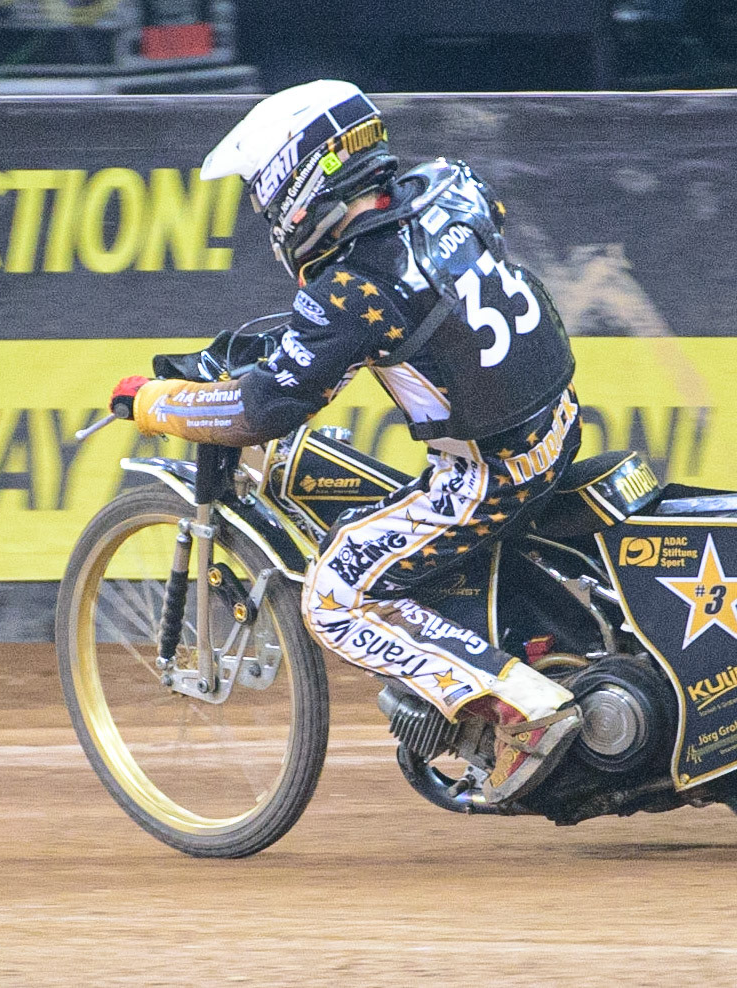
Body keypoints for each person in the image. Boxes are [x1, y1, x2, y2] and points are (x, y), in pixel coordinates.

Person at [108, 80, 583, 806]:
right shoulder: (450, 186)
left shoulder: (352, 291)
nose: (267, 218)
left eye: (264, 198)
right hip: (559, 420)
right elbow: (402, 303)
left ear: (300, 185)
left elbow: (263, 410)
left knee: (332, 596)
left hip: (489, 475)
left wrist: (155, 403)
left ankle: (522, 707)